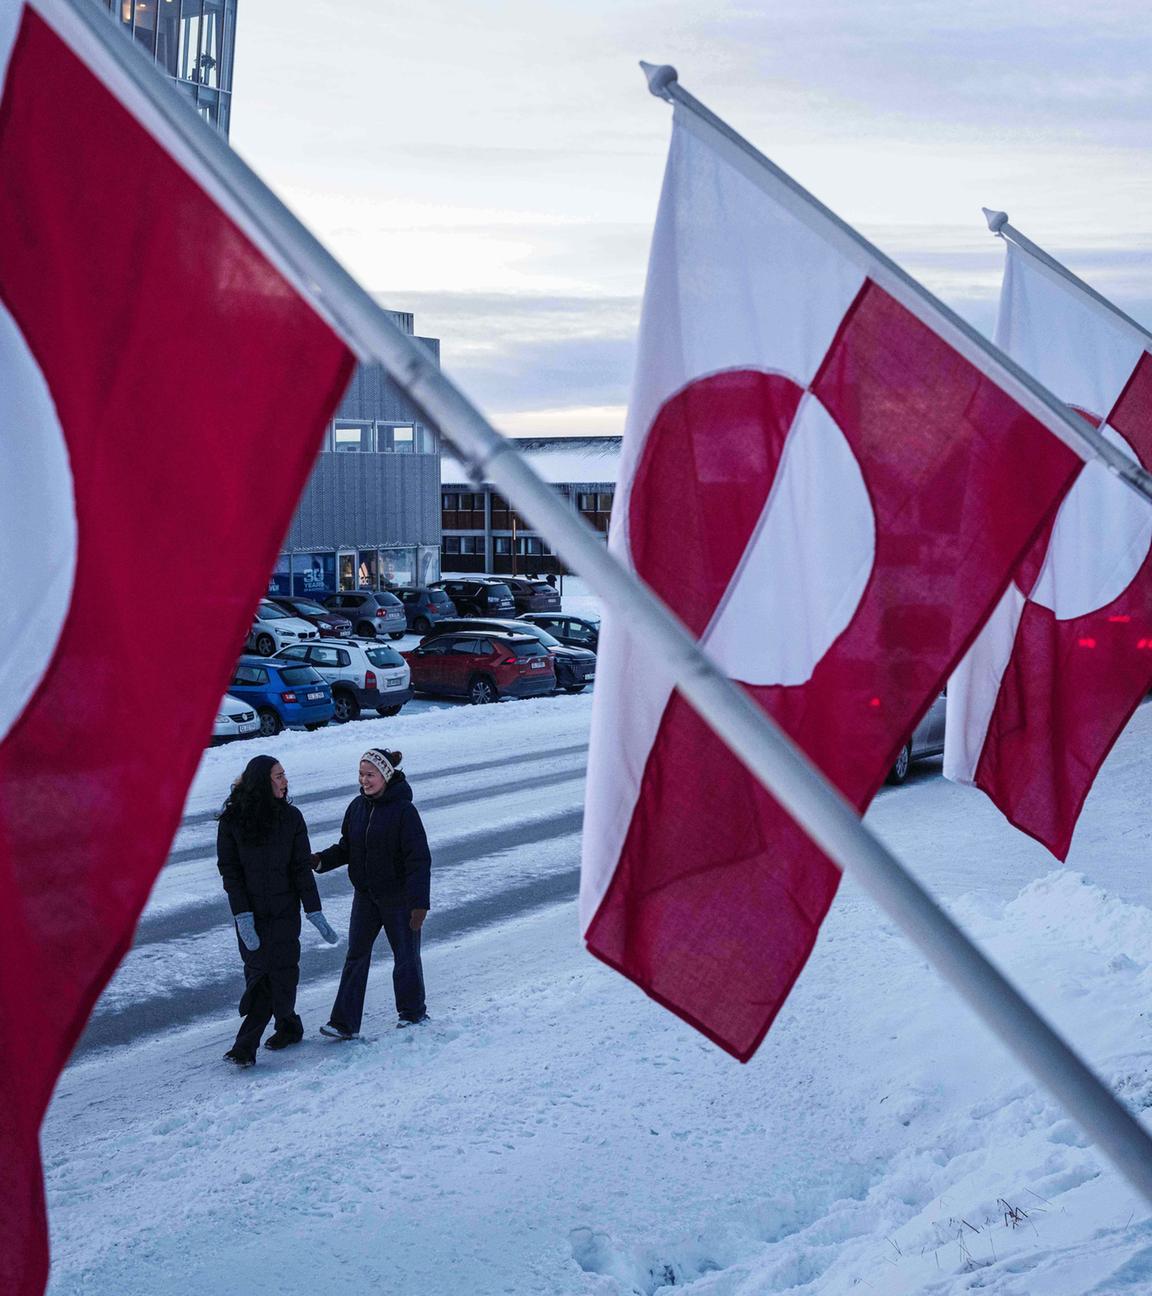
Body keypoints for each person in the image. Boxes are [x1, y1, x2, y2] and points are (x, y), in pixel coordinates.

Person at [216, 754, 339, 1067]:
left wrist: (314, 910)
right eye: (279, 776)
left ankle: (245, 1046)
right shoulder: (232, 821)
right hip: (250, 913)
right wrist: (242, 915)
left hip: (285, 911)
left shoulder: (291, 818)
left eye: (284, 775)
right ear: (262, 782)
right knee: (258, 973)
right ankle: (289, 1024)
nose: (285, 781)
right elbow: (230, 872)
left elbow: (300, 869)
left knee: (280, 974)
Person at [314, 748, 431, 1038]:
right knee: (356, 955)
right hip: (365, 896)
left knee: (406, 956)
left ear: (385, 776)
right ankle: (344, 1023)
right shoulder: (357, 807)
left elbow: (418, 860)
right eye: (361, 774)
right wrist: (320, 861)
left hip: (399, 898)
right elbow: (347, 847)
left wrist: (419, 905)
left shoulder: (404, 811)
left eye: (370, 775)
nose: (364, 780)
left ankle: (413, 1013)